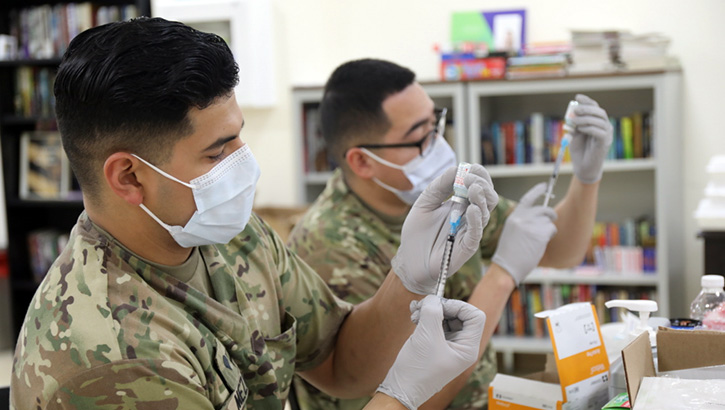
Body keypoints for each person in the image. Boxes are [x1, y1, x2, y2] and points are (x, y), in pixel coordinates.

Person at [10, 18, 500, 410]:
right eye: (218, 152)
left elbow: (338, 362)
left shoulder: (233, 234)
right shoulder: (110, 354)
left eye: (239, 135)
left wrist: (408, 278)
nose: (246, 164)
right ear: (129, 178)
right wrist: (403, 395)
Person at [288, 58, 613, 409]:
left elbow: (560, 252)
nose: (439, 144)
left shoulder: (441, 194)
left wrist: (586, 179)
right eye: (419, 137)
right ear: (362, 162)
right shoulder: (329, 246)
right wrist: (501, 277)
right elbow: (405, 399)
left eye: (436, 124)